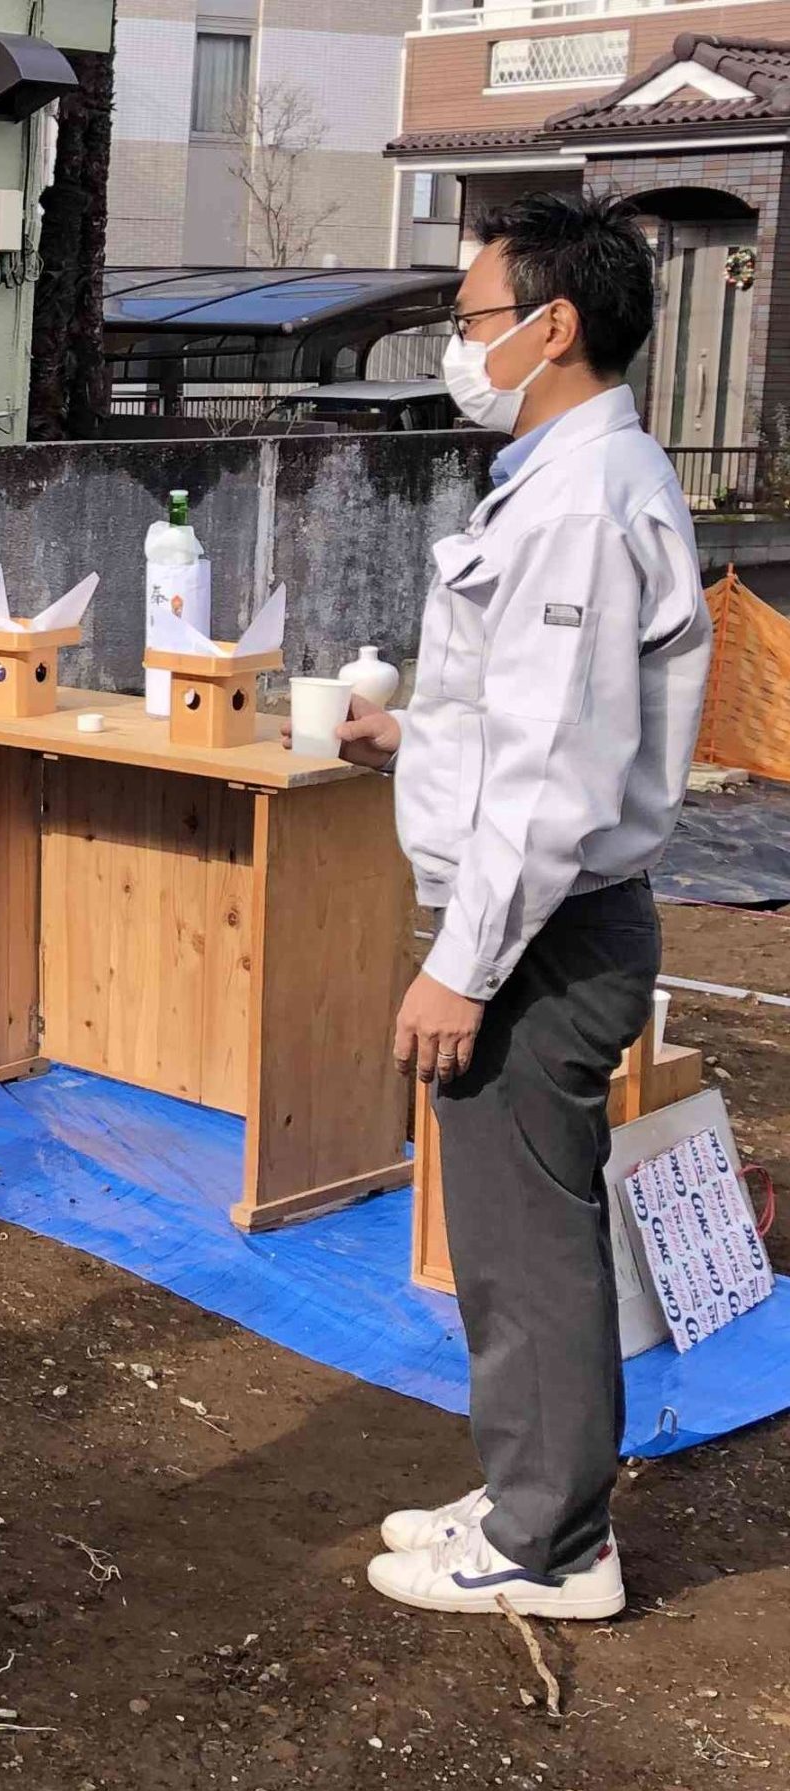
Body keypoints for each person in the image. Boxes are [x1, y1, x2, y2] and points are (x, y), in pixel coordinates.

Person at [330, 192, 711, 1619]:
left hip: (543, 937)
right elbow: (522, 728)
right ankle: (533, 1486)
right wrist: (411, 740)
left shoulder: (584, 503)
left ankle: (557, 1545)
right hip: (532, 922)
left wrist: (466, 968)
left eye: (473, 317)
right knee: (503, 1236)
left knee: (530, 1240)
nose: (458, 344)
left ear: (553, 327)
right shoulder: (557, 484)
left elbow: (558, 774)